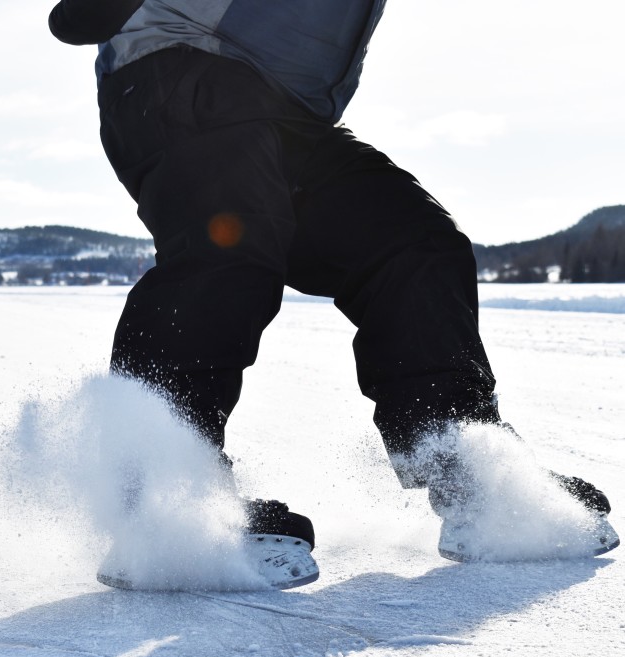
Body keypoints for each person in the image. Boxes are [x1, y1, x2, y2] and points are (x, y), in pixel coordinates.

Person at [47, 0, 616, 567]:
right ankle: (158, 496)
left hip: (289, 113)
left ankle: (465, 467)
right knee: (230, 252)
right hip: (178, 68)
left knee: (413, 245)